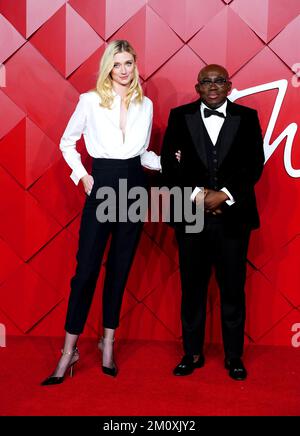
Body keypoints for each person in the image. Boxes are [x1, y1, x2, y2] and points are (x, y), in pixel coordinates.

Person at [41, 40, 162, 384]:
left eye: (128, 63)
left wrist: (172, 163)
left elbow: (141, 155)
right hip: (102, 185)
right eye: (117, 63)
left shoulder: (146, 104)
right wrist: (82, 177)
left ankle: (108, 343)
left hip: (135, 188)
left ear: (135, 66)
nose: (123, 70)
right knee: (86, 271)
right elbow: (67, 142)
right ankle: (69, 351)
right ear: (108, 66)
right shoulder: (90, 101)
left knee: (120, 270)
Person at [161, 64, 265, 380]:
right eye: (207, 81)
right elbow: (168, 162)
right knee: (192, 287)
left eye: (219, 80)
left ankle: (234, 356)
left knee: (232, 289)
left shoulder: (247, 118)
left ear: (229, 85)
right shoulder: (179, 116)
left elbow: (254, 164)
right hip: (191, 216)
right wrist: (198, 195)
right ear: (198, 88)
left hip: (233, 218)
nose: (213, 85)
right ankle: (191, 353)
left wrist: (225, 195)